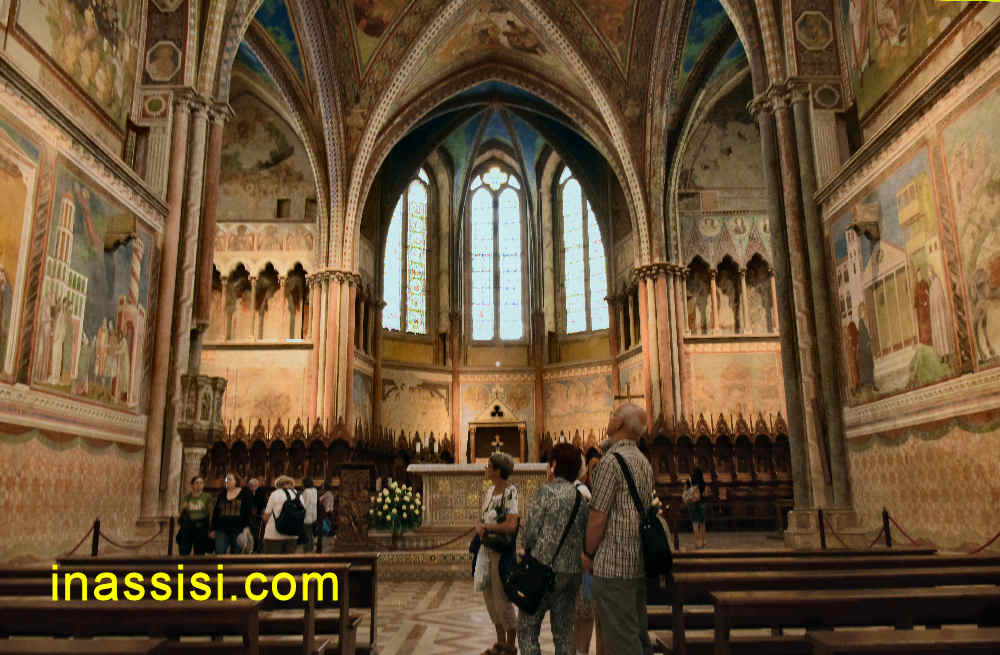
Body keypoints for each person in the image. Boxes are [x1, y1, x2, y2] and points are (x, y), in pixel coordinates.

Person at [582, 403, 654, 655]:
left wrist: (588, 553)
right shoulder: (643, 461)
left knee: (621, 642)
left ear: (620, 424)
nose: (609, 417)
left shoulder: (611, 462)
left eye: (613, 415)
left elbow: (597, 517)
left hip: (613, 566)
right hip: (636, 561)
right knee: (636, 634)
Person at [517, 443, 589, 655]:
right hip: (571, 572)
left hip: (542, 571)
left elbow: (530, 531)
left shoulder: (546, 492)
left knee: (527, 628)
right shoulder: (581, 498)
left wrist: (526, 548)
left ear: (554, 465)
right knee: (564, 631)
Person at [474, 452, 519, 655]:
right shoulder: (490, 491)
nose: (486, 469)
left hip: (501, 553)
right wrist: (480, 526)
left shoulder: (510, 492)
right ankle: (500, 642)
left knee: (502, 600)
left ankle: (510, 646)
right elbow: (483, 518)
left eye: (489, 466)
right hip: (486, 550)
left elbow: (511, 524)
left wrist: (489, 527)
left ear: (498, 471)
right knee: (490, 599)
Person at [574, 448, 605, 655]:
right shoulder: (584, 492)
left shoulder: (581, 493)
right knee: (582, 613)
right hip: (583, 561)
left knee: (583, 613)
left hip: (581, 564)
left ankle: (581, 651)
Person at [210, 472, 253, 554]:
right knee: (219, 553)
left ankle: (233, 567)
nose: (227, 481)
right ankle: (220, 567)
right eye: (226, 479)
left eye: (229, 479)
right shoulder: (222, 494)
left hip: (238, 529)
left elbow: (248, 512)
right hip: (222, 529)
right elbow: (216, 513)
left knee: (235, 555)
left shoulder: (244, 494)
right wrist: (213, 529)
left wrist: (247, 526)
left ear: (236, 481)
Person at [262, 475, 300, 553]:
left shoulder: (275, 494)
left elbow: (266, 515)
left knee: (273, 562)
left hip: (274, 535)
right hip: (292, 534)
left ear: (278, 485)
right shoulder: (298, 495)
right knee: (289, 562)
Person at [178, 476, 212, 555]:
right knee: (184, 550)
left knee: (199, 551)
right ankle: (181, 567)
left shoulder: (207, 496)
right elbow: (181, 512)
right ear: (192, 485)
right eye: (197, 483)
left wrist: (210, 528)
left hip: (201, 526)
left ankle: (198, 567)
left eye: (201, 483)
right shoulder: (188, 497)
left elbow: (210, 512)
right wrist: (183, 508)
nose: (199, 485)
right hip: (188, 526)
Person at [686, 468, 708, 549]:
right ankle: (703, 540)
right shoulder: (702, 482)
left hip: (692, 503)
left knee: (695, 524)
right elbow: (705, 493)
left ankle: (697, 542)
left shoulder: (689, 481)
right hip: (701, 503)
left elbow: (685, 491)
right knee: (702, 523)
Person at [300, 477, 318, 553]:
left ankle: (306, 549)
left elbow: (304, 504)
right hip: (313, 514)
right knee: (310, 532)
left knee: (306, 532)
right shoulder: (314, 490)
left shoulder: (306, 491)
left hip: (307, 515)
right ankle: (310, 548)